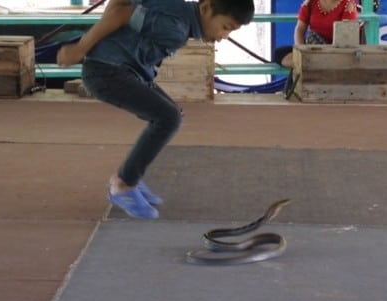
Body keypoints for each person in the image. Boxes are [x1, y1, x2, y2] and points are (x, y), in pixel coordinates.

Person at [57, 0, 255, 218]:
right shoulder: (175, 27)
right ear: (206, 8)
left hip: (126, 70)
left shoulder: (178, 13)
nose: (224, 36)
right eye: (225, 27)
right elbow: (121, 14)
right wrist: (80, 48)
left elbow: (120, 4)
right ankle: (123, 184)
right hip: (107, 73)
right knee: (167, 118)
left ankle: (129, 175)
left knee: (172, 115)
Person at [273, 0, 359, 68]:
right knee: (278, 54)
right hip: (311, 48)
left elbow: (347, 38)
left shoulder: (348, 5)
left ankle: (311, 63)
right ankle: (313, 63)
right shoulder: (310, 3)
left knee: (312, 40)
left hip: (335, 52)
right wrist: (301, 51)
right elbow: (299, 30)